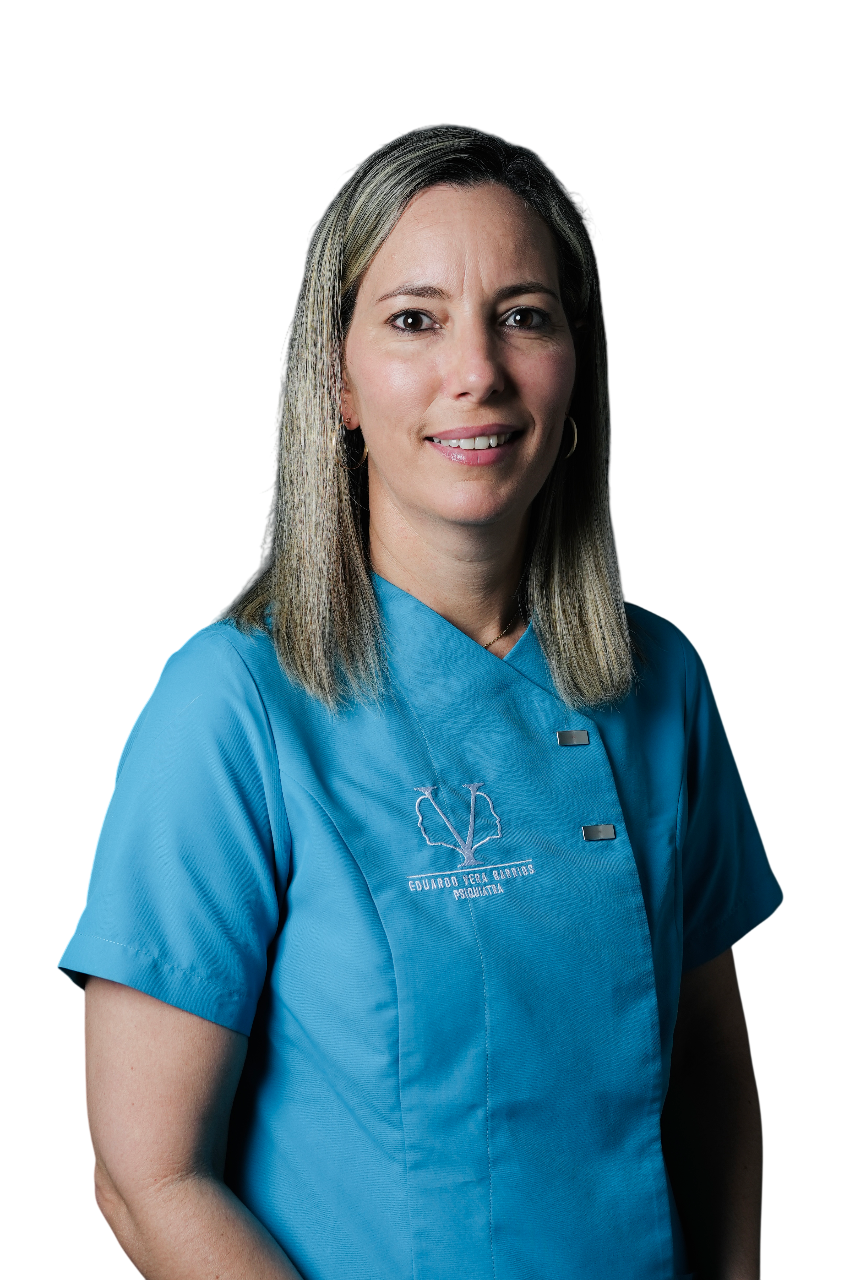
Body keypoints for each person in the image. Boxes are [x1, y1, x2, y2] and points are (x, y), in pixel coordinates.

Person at [59, 123, 783, 1280]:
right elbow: (148, 1178)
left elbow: (709, 1072)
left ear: (577, 369)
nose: (476, 370)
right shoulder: (229, 706)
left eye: (523, 315)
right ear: (339, 381)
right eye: (413, 319)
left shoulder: (663, 680)